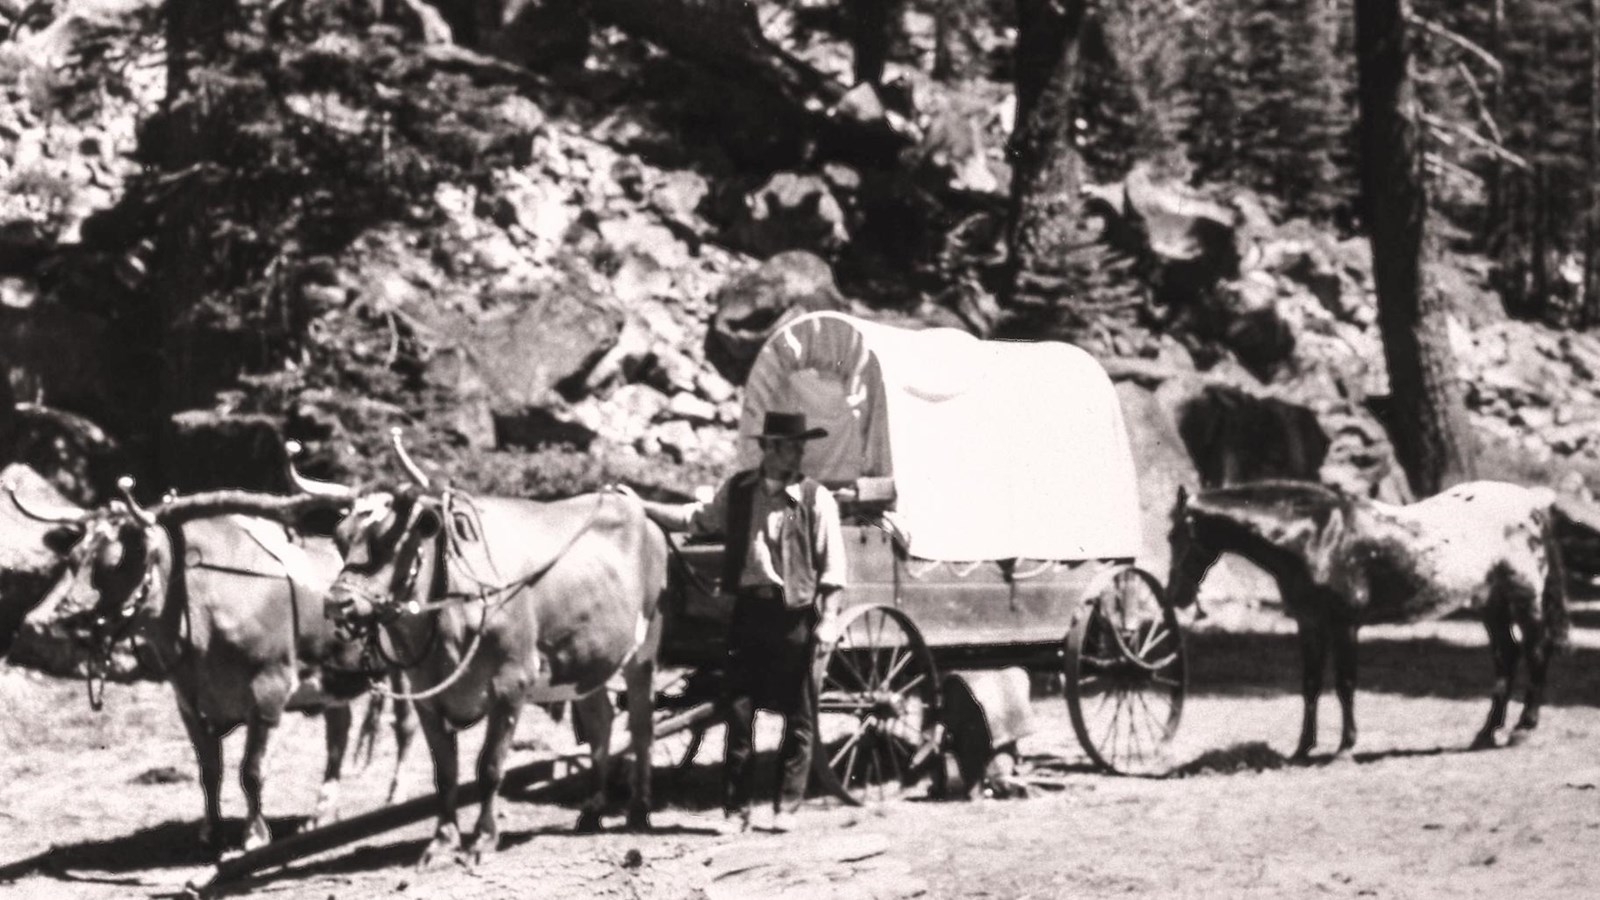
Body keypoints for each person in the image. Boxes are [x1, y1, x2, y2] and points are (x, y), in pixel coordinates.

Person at [621, 411, 846, 833]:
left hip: (794, 614)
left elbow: (833, 569)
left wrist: (829, 618)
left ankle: (785, 808)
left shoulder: (818, 500)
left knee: (798, 715)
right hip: (748, 612)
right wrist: (641, 507)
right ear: (770, 448)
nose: (800, 453)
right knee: (739, 713)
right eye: (792, 445)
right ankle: (736, 812)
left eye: (801, 445)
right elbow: (696, 519)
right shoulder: (740, 490)